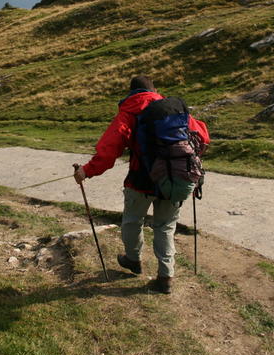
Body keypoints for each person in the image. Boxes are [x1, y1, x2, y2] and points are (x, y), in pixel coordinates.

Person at [73, 75, 210, 293]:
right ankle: (165, 277)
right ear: (154, 89)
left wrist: (87, 171)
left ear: (131, 92)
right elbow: (202, 136)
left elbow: (109, 150)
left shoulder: (128, 113)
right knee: (165, 227)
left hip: (140, 180)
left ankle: (133, 260)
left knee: (132, 221)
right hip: (173, 180)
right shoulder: (172, 110)